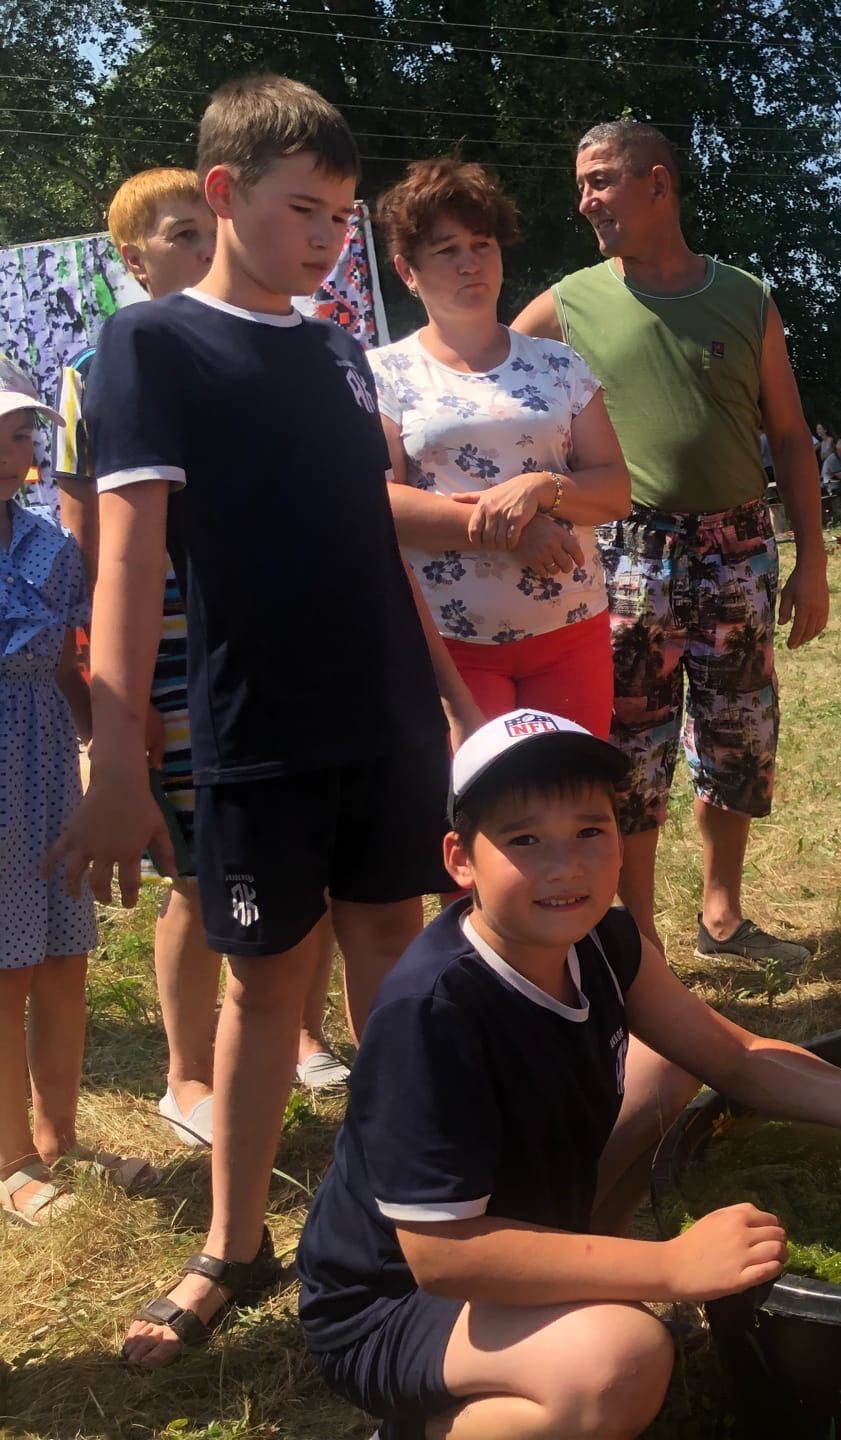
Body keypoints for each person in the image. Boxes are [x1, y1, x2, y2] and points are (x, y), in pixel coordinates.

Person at [48, 75, 482, 1366]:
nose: (330, 239)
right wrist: (118, 762)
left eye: (346, 219)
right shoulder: (151, 344)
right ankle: (235, 1245)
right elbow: (129, 563)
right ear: (226, 194)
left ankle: (413, 1223)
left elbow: (371, 537)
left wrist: (455, 699)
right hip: (257, 727)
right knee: (263, 989)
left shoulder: (340, 347)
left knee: (397, 959)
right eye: (308, 210)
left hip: (388, 716)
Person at [296, 708, 841, 1440]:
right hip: (393, 1304)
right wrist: (670, 1267)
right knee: (622, 1362)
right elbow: (441, 1256)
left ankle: (582, 1307)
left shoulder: (605, 938)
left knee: (664, 1067)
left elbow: (733, 1055)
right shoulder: (433, 1012)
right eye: (524, 840)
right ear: (461, 861)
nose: (566, 867)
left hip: (514, 1235)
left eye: (590, 831)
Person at [52, 167, 350, 1154]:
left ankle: (301, 1032)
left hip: (275, 639)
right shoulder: (101, 371)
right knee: (194, 867)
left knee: (301, 848)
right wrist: (114, 710)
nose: (199, 246)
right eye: (179, 234)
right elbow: (94, 548)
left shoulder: (286, 353)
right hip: (170, 649)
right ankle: (185, 1074)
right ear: (133, 260)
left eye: (203, 228)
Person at [513, 119, 827, 975]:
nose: (586, 201)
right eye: (582, 184)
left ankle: (722, 918)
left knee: (738, 737)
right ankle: (639, 943)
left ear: (659, 183)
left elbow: (793, 438)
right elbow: (495, 396)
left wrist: (814, 564)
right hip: (621, 555)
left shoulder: (744, 297)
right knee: (628, 750)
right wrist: (538, 503)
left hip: (738, 550)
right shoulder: (566, 304)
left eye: (603, 180)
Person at [371, 158, 631, 735]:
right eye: (446, 250)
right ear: (406, 271)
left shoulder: (560, 366)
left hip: (572, 630)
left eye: (482, 244)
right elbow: (375, 503)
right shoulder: (381, 376)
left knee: (568, 797)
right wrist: (515, 527)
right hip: (448, 644)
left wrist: (541, 488)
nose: (469, 263)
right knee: (477, 811)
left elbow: (615, 490)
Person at [0, 360, 148, 1224]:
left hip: (47, 764)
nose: (30, 442)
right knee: (4, 969)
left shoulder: (51, 546)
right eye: (15, 430)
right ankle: (12, 1159)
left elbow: (65, 663)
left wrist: (106, 746)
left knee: (62, 957)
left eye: (28, 427)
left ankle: (62, 1140)